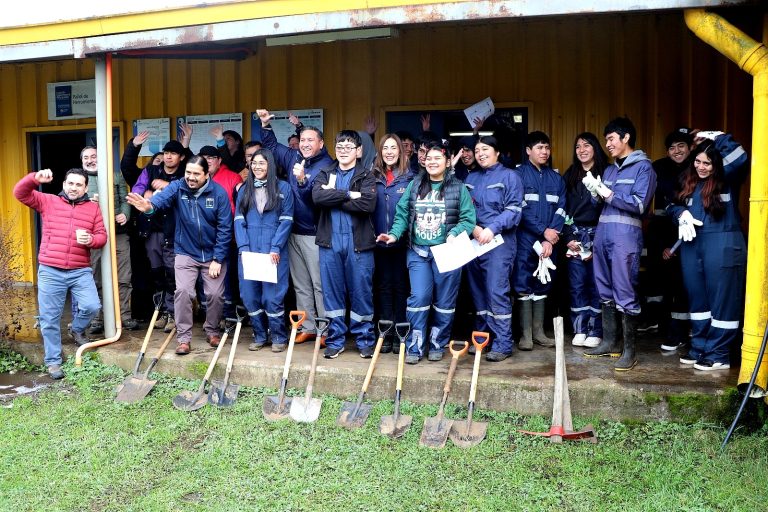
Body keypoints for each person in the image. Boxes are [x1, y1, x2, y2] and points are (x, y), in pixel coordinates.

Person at [378, 140, 476, 363]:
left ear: (448, 161)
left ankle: (436, 343)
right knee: (419, 298)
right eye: (428, 158)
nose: (432, 162)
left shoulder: (458, 187)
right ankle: (415, 345)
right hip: (418, 252)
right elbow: (402, 214)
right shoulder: (414, 185)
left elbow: (469, 219)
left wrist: (456, 232)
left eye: (437, 158)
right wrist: (393, 234)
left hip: (448, 252)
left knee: (444, 302)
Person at [126, 155, 233, 355]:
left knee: (215, 294)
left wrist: (218, 259)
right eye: (188, 173)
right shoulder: (178, 187)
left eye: (196, 174)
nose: (191, 178)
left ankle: (212, 330)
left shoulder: (218, 193)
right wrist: (149, 207)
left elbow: (225, 228)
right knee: (183, 292)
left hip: (212, 254)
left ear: (206, 174)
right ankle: (184, 338)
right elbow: (160, 200)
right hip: (185, 251)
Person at [13, 168, 107, 379]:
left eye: (78, 185)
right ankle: (53, 362)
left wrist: (91, 240)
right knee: (49, 318)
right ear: (64, 184)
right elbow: (20, 193)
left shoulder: (93, 209)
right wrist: (33, 178)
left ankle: (76, 328)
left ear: (85, 187)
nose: (74, 188)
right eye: (70, 183)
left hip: (80, 269)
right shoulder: (48, 201)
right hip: (50, 269)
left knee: (92, 305)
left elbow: (102, 236)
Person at [582, 117, 656, 371]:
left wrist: (608, 193)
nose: (607, 144)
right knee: (604, 288)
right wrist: (595, 193)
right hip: (603, 235)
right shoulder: (611, 169)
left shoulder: (644, 168)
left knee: (625, 290)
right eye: (606, 139)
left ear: (625, 138)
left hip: (626, 237)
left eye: (611, 138)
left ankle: (629, 351)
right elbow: (601, 204)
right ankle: (611, 343)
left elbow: (639, 204)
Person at [670, 132, 748, 371]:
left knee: (722, 300)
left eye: (707, 163)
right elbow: (672, 204)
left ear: (716, 164)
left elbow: (740, 157)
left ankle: (718, 353)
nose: (702, 167)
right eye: (698, 161)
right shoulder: (689, 180)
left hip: (723, 244)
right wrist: (680, 215)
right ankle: (701, 347)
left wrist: (720, 137)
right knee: (698, 299)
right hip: (692, 245)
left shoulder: (728, 177)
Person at [257, 108, 333, 344]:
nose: (306, 144)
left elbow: (318, 198)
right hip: (292, 232)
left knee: (320, 284)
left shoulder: (328, 165)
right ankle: (307, 327)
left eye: (311, 140)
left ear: (321, 143)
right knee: (300, 284)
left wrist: (302, 180)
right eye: (303, 140)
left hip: (316, 233)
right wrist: (266, 125)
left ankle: (325, 329)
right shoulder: (292, 157)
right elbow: (271, 147)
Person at [312, 130, 377, 359]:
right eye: (340, 147)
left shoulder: (367, 175)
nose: (344, 151)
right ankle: (335, 339)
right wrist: (349, 195)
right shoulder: (324, 172)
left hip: (358, 244)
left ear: (359, 151)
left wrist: (335, 198)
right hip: (330, 243)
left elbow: (367, 204)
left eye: (349, 147)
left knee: (361, 292)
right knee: (332, 294)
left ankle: (364, 339)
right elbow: (318, 198)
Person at [122, 137, 192, 333]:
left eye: (173, 153)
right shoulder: (151, 170)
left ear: (181, 157)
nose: (168, 156)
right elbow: (138, 186)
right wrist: (141, 195)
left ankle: (173, 313)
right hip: (152, 230)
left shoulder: (184, 175)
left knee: (173, 274)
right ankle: (161, 311)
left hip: (174, 231)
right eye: (166, 153)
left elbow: (186, 192)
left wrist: (164, 187)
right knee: (157, 272)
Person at [465, 136, 523, 361]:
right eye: (477, 150)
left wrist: (491, 228)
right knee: (478, 293)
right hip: (474, 242)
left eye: (485, 149)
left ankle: (502, 343)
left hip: (499, 243)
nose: (480, 153)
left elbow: (514, 210)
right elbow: (464, 210)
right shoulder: (471, 177)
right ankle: (482, 338)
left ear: (497, 152)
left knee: (496, 291)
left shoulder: (510, 176)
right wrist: (473, 228)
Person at [235, 149, 294, 351]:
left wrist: (276, 246)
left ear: (270, 165)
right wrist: (243, 247)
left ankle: (278, 337)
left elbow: (286, 220)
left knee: (272, 296)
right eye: (254, 163)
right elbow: (238, 220)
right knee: (250, 296)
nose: (257, 167)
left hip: (273, 252)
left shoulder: (283, 187)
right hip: (249, 250)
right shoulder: (244, 189)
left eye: (262, 163)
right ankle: (259, 335)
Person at [513, 131, 566, 351]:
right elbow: (520, 209)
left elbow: (563, 209)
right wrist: (543, 231)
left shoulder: (557, 178)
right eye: (539, 148)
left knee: (544, 283)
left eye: (547, 147)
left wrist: (551, 236)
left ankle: (539, 333)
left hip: (549, 241)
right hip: (526, 239)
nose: (544, 152)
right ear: (528, 151)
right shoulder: (518, 176)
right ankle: (525, 336)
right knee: (523, 283)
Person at [644, 128, 695, 351]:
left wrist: (674, 246)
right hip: (661, 230)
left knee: (681, 284)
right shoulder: (659, 167)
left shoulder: (698, 166)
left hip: (689, 232)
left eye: (681, 146)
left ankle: (680, 331)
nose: (676, 151)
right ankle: (654, 320)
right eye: (672, 147)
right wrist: (664, 245)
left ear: (690, 147)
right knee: (657, 277)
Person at [78, 146, 138, 333]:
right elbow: (70, 206)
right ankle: (98, 318)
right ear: (82, 161)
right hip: (92, 236)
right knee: (94, 278)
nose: (90, 160)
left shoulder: (115, 175)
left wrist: (125, 214)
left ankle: (125, 316)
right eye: (86, 157)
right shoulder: (79, 181)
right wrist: (87, 202)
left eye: (94, 156)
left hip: (117, 233)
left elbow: (125, 199)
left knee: (124, 277)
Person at [562, 133, 607, 348]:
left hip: (599, 235)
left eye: (586, 145)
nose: (581, 150)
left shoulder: (606, 172)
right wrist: (568, 237)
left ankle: (595, 330)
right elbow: (564, 209)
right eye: (578, 146)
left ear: (595, 148)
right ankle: (579, 328)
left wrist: (602, 237)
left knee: (596, 285)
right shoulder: (570, 174)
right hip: (575, 237)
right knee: (577, 285)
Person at [372, 134, 413, 353]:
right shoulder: (373, 177)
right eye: (385, 148)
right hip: (378, 244)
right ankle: (385, 332)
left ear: (401, 151)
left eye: (393, 148)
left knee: (401, 288)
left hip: (402, 244)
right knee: (382, 287)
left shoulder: (410, 178)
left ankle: (400, 333)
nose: (389, 152)